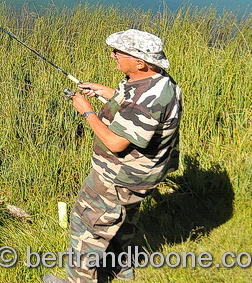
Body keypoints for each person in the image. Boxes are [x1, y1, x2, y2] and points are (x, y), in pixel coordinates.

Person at [43, 29, 182, 283]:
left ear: (140, 62)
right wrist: (107, 93)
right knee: (123, 219)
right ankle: (120, 269)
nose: (112, 55)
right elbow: (133, 103)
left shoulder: (145, 100)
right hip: (143, 175)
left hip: (120, 176)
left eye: (118, 52)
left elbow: (116, 143)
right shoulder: (161, 81)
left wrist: (86, 111)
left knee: (87, 225)